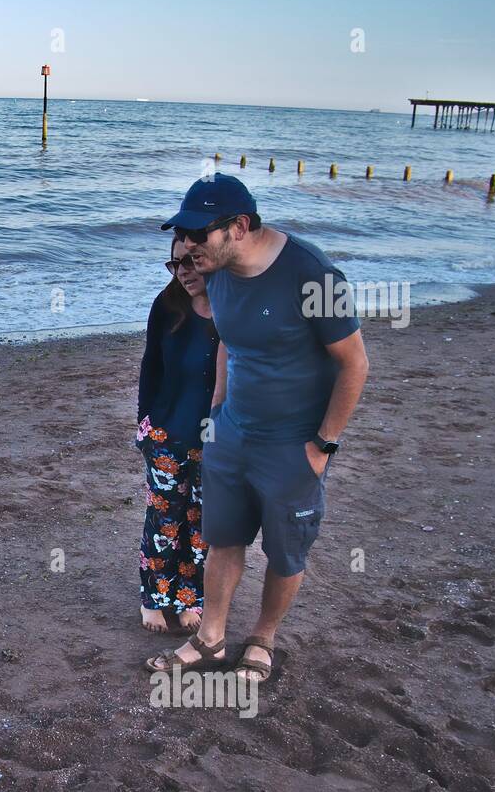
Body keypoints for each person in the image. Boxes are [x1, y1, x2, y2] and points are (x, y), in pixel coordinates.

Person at [150, 174, 369, 684]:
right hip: (231, 434)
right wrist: (218, 409)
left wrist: (323, 446)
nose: (189, 247)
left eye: (199, 235)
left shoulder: (313, 275)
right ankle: (210, 639)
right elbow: (228, 340)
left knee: (285, 550)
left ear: (240, 227)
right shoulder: (219, 272)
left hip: (293, 445)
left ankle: (263, 637)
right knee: (222, 539)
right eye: (183, 233)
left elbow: (354, 364)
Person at [137, 237, 219, 644]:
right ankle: (154, 595)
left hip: (217, 439)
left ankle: (190, 598)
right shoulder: (167, 306)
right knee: (165, 519)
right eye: (174, 264)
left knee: (202, 522)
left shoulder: (232, 309)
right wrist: (144, 424)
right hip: (167, 433)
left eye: (190, 262)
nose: (183, 271)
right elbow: (150, 365)